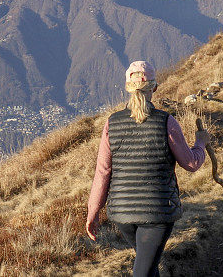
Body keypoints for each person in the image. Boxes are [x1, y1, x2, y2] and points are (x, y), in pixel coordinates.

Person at [86, 60, 210, 277]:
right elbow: (191, 163)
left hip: (122, 213)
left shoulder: (111, 123)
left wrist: (93, 211)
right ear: (154, 87)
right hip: (158, 212)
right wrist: (201, 142)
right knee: (143, 271)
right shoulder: (166, 122)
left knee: (147, 267)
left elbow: (103, 171)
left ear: (127, 87)